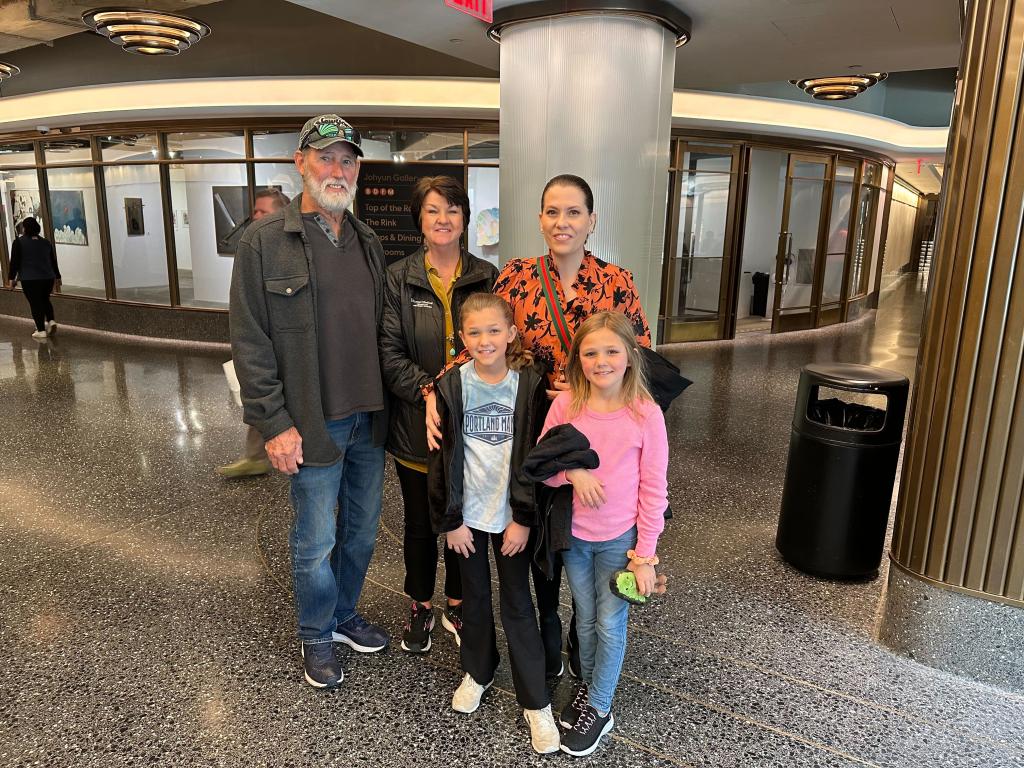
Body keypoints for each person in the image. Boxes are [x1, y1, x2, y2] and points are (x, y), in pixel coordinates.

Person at [425, 173, 652, 680]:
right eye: (552, 212)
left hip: (596, 440)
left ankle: (583, 641)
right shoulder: (517, 276)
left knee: (588, 542)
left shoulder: (617, 282)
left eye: (574, 213)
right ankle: (549, 648)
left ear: (592, 220)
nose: (562, 222)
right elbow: (480, 344)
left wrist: (584, 394)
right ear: (539, 218)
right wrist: (433, 394)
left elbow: (643, 360)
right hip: (530, 439)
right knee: (541, 553)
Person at [230, 114, 390, 689]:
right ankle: (316, 634)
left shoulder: (367, 240)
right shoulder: (263, 243)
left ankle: (344, 614)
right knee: (315, 539)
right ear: (300, 164)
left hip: (370, 418)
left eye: (347, 160)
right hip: (311, 422)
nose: (337, 169)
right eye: (325, 158)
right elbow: (249, 340)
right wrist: (273, 423)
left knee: (363, 531)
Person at [428, 293, 560, 755]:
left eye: (493, 330)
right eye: (474, 332)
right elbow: (441, 461)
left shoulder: (527, 385)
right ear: (462, 338)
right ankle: (478, 670)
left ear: (510, 334)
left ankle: (535, 701)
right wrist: (451, 522)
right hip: (468, 520)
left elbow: (536, 459)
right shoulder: (451, 387)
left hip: (512, 520)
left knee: (518, 605)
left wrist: (523, 519)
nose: (485, 340)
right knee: (475, 601)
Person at [538, 311, 668, 757]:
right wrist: (574, 472)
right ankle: (589, 687)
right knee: (586, 619)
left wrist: (644, 555)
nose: (602, 361)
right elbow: (543, 469)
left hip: (620, 541)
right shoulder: (566, 406)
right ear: (578, 359)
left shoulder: (645, 414)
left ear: (630, 356)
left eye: (612, 351)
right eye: (591, 352)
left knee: (611, 624)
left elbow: (654, 490)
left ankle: (600, 705)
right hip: (574, 537)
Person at [379, 176, 498, 653]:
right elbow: (389, 352)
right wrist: (428, 391)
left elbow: (499, 348)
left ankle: (457, 602)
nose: (443, 219)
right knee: (420, 524)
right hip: (416, 428)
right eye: (433, 211)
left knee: (465, 521)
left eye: (452, 209)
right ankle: (420, 605)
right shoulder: (399, 277)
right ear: (419, 221)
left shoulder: (487, 276)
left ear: (465, 218)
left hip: (473, 429)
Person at [218, 188, 291, 479]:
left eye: (262, 211)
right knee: (266, 397)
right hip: (266, 346)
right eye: (255, 212)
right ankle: (256, 454)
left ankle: (258, 454)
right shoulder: (254, 249)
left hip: (286, 348)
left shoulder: (287, 249)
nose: (255, 217)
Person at [7, 217, 61, 341]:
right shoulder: (45, 242)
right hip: (47, 277)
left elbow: (14, 262)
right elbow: (53, 261)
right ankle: (51, 320)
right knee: (45, 299)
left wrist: (11, 279)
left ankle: (41, 330)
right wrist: (57, 276)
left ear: (24, 228)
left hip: (30, 278)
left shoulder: (19, 242)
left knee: (35, 303)